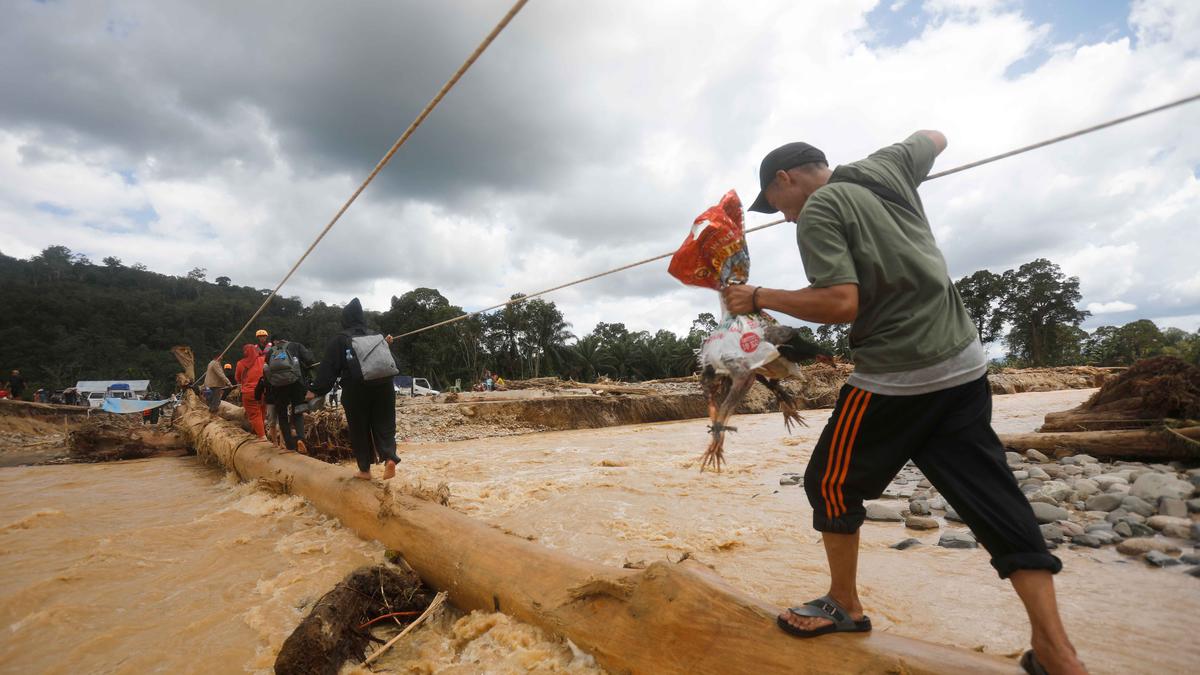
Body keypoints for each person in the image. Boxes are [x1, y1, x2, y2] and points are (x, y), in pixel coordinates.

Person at [725, 133, 1084, 675]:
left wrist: (758, 296)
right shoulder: (887, 165)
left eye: (777, 205)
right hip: (964, 365)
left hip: (898, 374)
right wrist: (910, 166)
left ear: (786, 178)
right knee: (994, 500)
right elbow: (934, 138)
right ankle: (1057, 652)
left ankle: (844, 605)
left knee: (829, 483)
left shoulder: (819, 210)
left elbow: (841, 303)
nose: (784, 216)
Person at [309, 298, 401, 480]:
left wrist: (316, 390)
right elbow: (395, 363)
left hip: (356, 389)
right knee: (385, 424)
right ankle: (390, 458)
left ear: (345, 319)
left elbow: (328, 369)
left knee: (359, 428)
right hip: (384, 386)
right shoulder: (377, 336)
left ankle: (365, 470)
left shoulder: (340, 339)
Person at [256, 336, 316, 454]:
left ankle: (290, 445)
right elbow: (310, 360)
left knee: (282, 415)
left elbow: (266, 370)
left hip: (278, 387)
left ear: (275, 341)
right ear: (286, 339)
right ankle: (300, 439)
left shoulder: (271, 351)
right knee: (297, 412)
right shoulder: (296, 346)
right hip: (296, 384)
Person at [236, 343, 267, 438]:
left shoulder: (240, 364)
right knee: (262, 412)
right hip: (263, 391)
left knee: (254, 415)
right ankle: (257, 433)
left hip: (249, 393)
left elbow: (237, 378)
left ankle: (262, 437)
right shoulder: (262, 360)